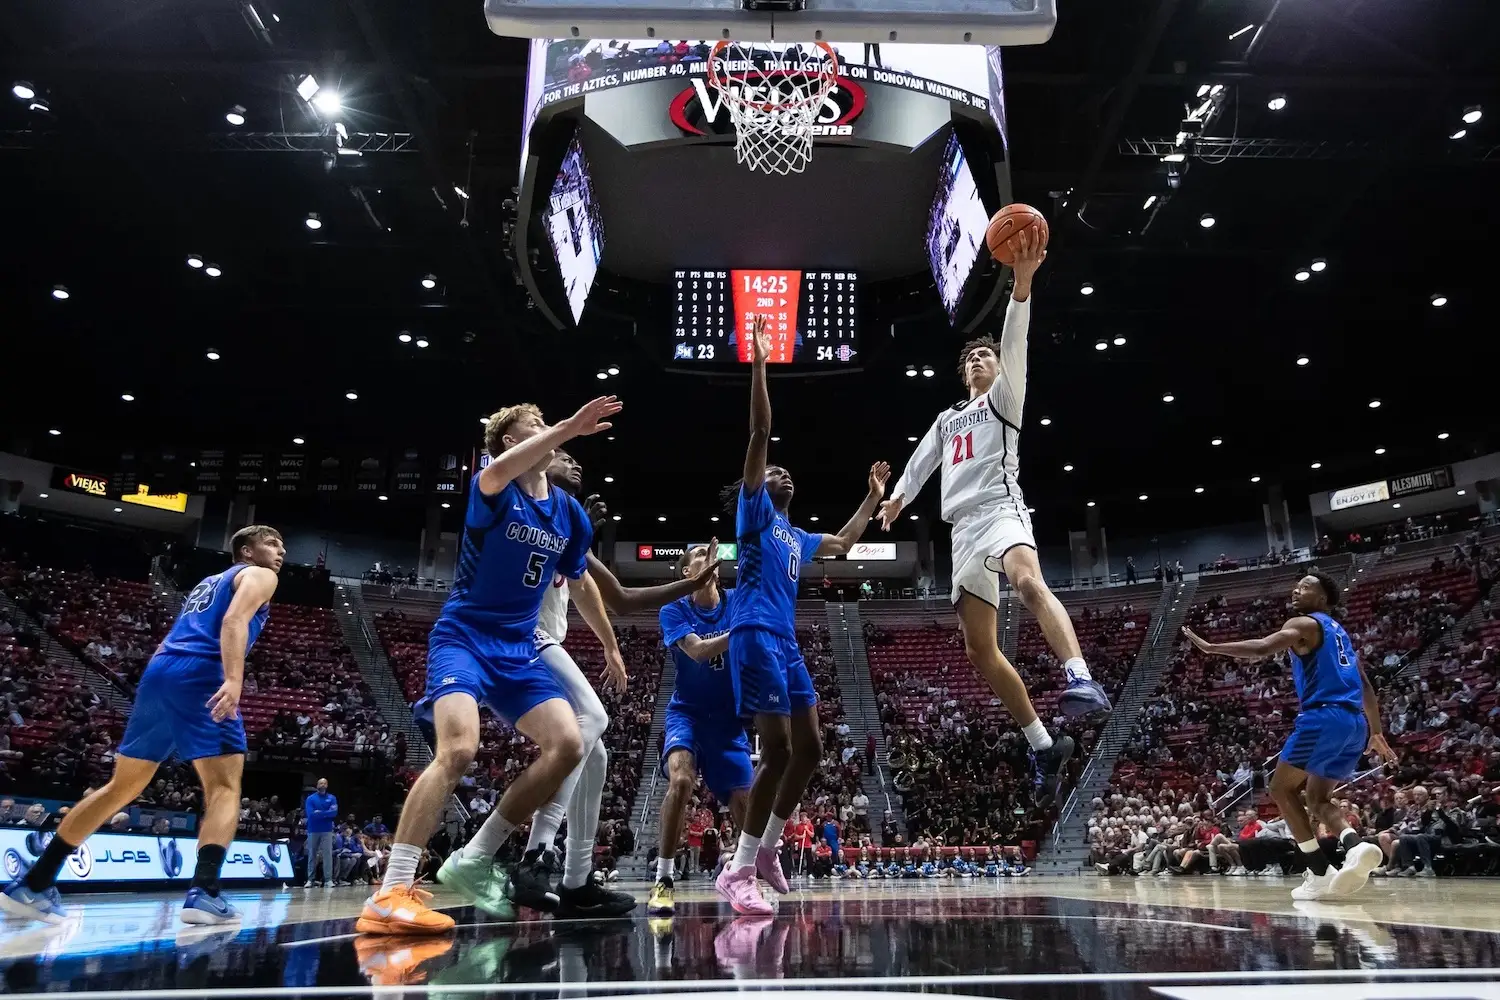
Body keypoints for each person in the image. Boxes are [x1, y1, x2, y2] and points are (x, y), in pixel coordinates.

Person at [356, 396, 618, 936]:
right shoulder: (492, 484)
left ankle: (478, 856)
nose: (548, 430)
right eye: (537, 425)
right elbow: (501, 470)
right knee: (459, 750)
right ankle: (389, 892)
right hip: (465, 639)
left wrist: (610, 643)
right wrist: (570, 427)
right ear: (509, 440)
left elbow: (582, 582)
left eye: (550, 424)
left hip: (519, 647)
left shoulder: (568, 513)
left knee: (571, 743)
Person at [439, 447, 713, 919]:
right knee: (594, 718)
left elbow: (609, 597)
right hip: (513, 635)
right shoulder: (516, 509)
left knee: (597, 756)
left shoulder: (567, 526)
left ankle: (576, 880)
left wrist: (610, 646)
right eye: (563, 455)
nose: (575, 462)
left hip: (538, 636)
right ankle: (534, 851)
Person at [876, 228, 1094, 801]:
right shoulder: (949, 418)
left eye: (986, 354)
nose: (978, 359)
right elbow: (922, 462)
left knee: (1027, 580)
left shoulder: (1005, 400)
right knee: (979, 650)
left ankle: (1080, 677)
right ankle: (1045, 745)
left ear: (998, 368)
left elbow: (1015, 344)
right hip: (962, 533)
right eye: (970, 356)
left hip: (1001, 511)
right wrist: (897, 496)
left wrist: (1020, 288)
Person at [1, 525, 284, 925]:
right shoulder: (260, 575)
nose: (281, 552)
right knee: (223, 787)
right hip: (201, 673)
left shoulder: (209, 582)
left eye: (282, 545)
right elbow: (234, 621)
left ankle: (33, 883)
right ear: (246, 552)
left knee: (123, 786)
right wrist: (234, 680)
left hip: (160, 672)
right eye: (272, 543)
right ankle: (204, 892)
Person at [713, 316, 891, 916]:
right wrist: (761, 361)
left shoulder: (794, 534)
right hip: (754, 634)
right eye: (773, 469)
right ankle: (737, 870)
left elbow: (843, 544)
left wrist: (871, 496)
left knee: (811, 749)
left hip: (785, 641)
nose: (780, 471)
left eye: (788, 471)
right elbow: (761, 428)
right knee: (780, 753)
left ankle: (766, 849)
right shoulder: (755, 513)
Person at [1183, 570, 1396, 900]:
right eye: (1296, 585)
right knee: (1317, 799)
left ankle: (1320, 871)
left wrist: (1212, 647)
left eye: (1306, 587)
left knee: (1280, 788)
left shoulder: (1305, 624)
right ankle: (1354, 846)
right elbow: (1366, 686)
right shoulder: (1341, 635)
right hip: (1355, 725)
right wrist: (1377, 731)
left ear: (1322, 598)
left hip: (1323, 717)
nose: (1297, 590)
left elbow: (1262, 648)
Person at [648, 543, 754, 917]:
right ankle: (664, 878)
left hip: (728, 719)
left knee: (745, 800)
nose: (707, 559)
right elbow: (696, 651)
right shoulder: (673, 609)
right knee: (680, 781)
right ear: (684, 572)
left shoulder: (738, 599)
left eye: (710, 556)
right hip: (688, 713)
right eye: (696, 555)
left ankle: (744, 876)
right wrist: (743, 630)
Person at [304, 777, 338, 888]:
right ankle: (310, 879)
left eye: (324, 783)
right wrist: (326, 813)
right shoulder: (310, 799)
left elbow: (334, 813)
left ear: (327, 785)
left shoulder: (332, 798)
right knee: (312, 854)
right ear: (317, 785)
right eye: (320, 783)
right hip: (313, 830)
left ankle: (328, 880)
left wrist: (320, 813)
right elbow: (311, 814)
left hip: (327, 830)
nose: (322, 785)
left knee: (327, 855)